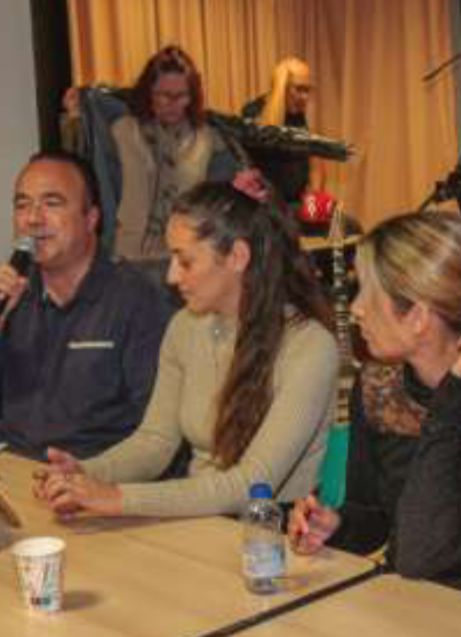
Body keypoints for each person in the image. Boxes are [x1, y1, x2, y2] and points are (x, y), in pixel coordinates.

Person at [288, 211, 461, 610]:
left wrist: (451, 404)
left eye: (365, 291)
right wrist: (335, 526)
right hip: (411, 606)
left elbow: (421, 554)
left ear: (418, 316)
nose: (355, 308)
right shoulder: (380, 387)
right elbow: (377, 519)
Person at [32, 179, 338, 518]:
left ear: (238, 256)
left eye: (185, 261)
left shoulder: (310, 347)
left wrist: (116, 498)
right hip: (200, 527)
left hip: (271, 542)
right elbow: (154, 442)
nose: (171, 277)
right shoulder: (185, 328)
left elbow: (250, 484)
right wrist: (84, 474)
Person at [0, 151, 172, 460]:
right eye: (22, 205)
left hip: (101, 480)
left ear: (91, 218)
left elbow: (159, 434)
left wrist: (94, 482)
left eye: (52, 203)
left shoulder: (135, 300)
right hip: (20, 473)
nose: (33, 219)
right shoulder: (9, 290)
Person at [63, 45, 241, 291]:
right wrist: (76, 116)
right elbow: (84, 166)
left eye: (182, 95)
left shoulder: (209, 140)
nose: (172, 104)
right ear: (148, 91)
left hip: (180, 266)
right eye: (163, 95)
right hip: (125, 262)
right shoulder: (123, 131)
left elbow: (223, 203)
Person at [240, 57, 324, 209]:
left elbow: (314, 158)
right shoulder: (253, 112)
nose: (305, 97)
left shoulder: (297, 115)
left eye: (308, 90)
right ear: (281, 86)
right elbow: (267, 138)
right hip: (266, 208)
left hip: (296, 204)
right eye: (299, 89)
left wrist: (313, 195)